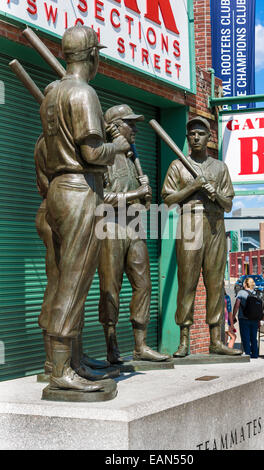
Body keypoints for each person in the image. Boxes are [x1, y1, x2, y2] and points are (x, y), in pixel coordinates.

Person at [39, 26, 130, 392]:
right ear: (93, 55)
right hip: (80, 189)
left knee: (61, 279)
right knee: (73, 282)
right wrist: (118, 147)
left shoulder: (52, 94)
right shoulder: (83, 93)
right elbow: (92, 153)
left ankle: (65, 362)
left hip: (60, 191)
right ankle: (61, 371)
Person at [161, 116, 241, 357]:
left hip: (216, 224)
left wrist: (215, 192)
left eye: (200, 134)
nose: (195, 137)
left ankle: (215, 340)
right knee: (187, 283)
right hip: (189, 223)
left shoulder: (219, 168)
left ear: (209, 137)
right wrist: (193, 187)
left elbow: (228, 205)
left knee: (215, 284)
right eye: (191, 134)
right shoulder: (178, 166)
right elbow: (168, 199)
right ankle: (184, 340)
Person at [98, 104, 170, 363]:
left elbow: (142, 205)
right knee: (110, 288)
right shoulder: (102, 156)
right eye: (130, 124)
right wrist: (135, 195)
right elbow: (99, 198)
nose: (136, 129)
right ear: (116, 127)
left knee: (144, 286)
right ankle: (111, 346)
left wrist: (145, 198)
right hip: (109, 228)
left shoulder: (130, 159)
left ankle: (140, 346)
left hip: (134, 228)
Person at [233, 277, 259, 358]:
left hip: (244, 318)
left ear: (245, 284)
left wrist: (233, 316)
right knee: (253, 338)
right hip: (254, 319)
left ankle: (247, 354)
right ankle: (255, 354)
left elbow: (237, 305)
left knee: (245, 337)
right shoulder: (256, 293)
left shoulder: (241, 292)